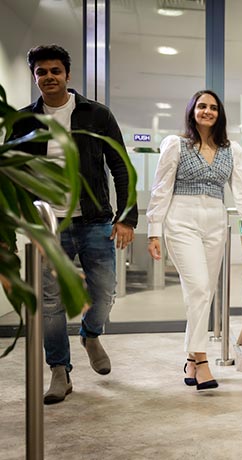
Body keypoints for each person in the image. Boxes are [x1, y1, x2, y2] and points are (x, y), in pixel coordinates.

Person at [11, 44, 138, 404]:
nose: (48, 77)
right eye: (41, 72)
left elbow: (120, 166)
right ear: (35, 77)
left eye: (55, 71)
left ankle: (90, 333)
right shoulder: (23, 122)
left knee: (103, 294)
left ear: (67, 75)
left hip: (94, 220)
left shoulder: (96, 114)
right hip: (47, 224)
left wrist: (126, 217)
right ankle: (59, 371)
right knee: (49, 303)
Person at [146, 90, 242, 391]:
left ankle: (189, 358)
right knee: (198, 287)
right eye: (202, 106)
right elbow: (161, 189)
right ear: (192, 110)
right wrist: (154, 230)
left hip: (215, 221)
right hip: (180, 220)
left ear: (219, 113)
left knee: (203, 292)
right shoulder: (176, 144)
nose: (207, 111)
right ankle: (201, 360)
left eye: (213, 107)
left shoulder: (231, 149)